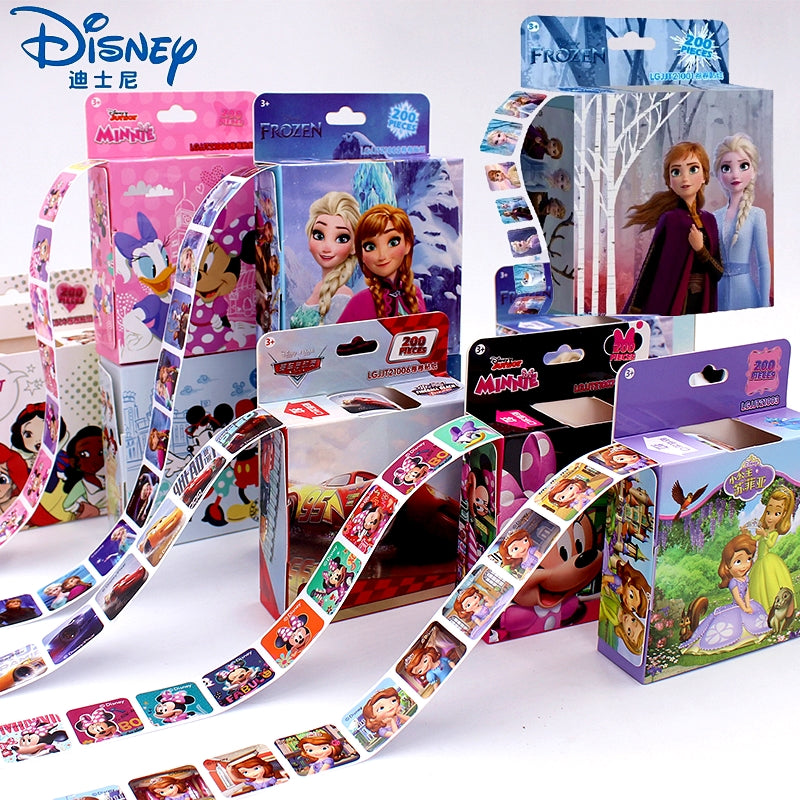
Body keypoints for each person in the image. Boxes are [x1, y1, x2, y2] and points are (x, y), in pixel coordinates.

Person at [624, 141, 723, 315]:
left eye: (693, 169)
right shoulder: (671, 220)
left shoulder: (709, 220)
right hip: (673, 302)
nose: (685, 178)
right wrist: (635, 308)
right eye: (676, 172)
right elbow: (650, 267)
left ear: (705, 176)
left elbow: (718, 272)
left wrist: (701, 250)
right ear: (669, 181)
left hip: (703, 302)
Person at [712, 133, 771, 310]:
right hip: (718, 293)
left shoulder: (756, 215)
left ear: (753, 171)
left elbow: (763, 264)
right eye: (726, 168)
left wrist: (764, 304)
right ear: (718, 174)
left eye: (743, 166)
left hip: (745, 294)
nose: (735, 174)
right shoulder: (714, 217)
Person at [338, 205, 425, 322]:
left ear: (407, 245)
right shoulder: (360, 302)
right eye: (370, 247)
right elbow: (339, 333)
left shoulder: (414, 294)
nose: (382, 256)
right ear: (361, 255)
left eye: (393, 242)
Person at [290, 191, 360, 327]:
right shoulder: (319, 287)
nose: (327, 247)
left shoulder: (342, 296)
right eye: (319, 235)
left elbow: (337, 338)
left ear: (353, 247)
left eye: (341, 238)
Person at [749, 485, 795, 612]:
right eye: (768, 512)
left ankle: (778, 609)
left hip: (768, 561)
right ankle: (761, 610)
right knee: (757, 586)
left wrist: (765, 535)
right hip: (759, 562)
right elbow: (754, 539)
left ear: (783, 514)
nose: (770, 517)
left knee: (771, 584)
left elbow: (770, 544)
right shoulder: (764, 529)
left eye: (776, 513)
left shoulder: (773, 532)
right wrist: (746, 533)